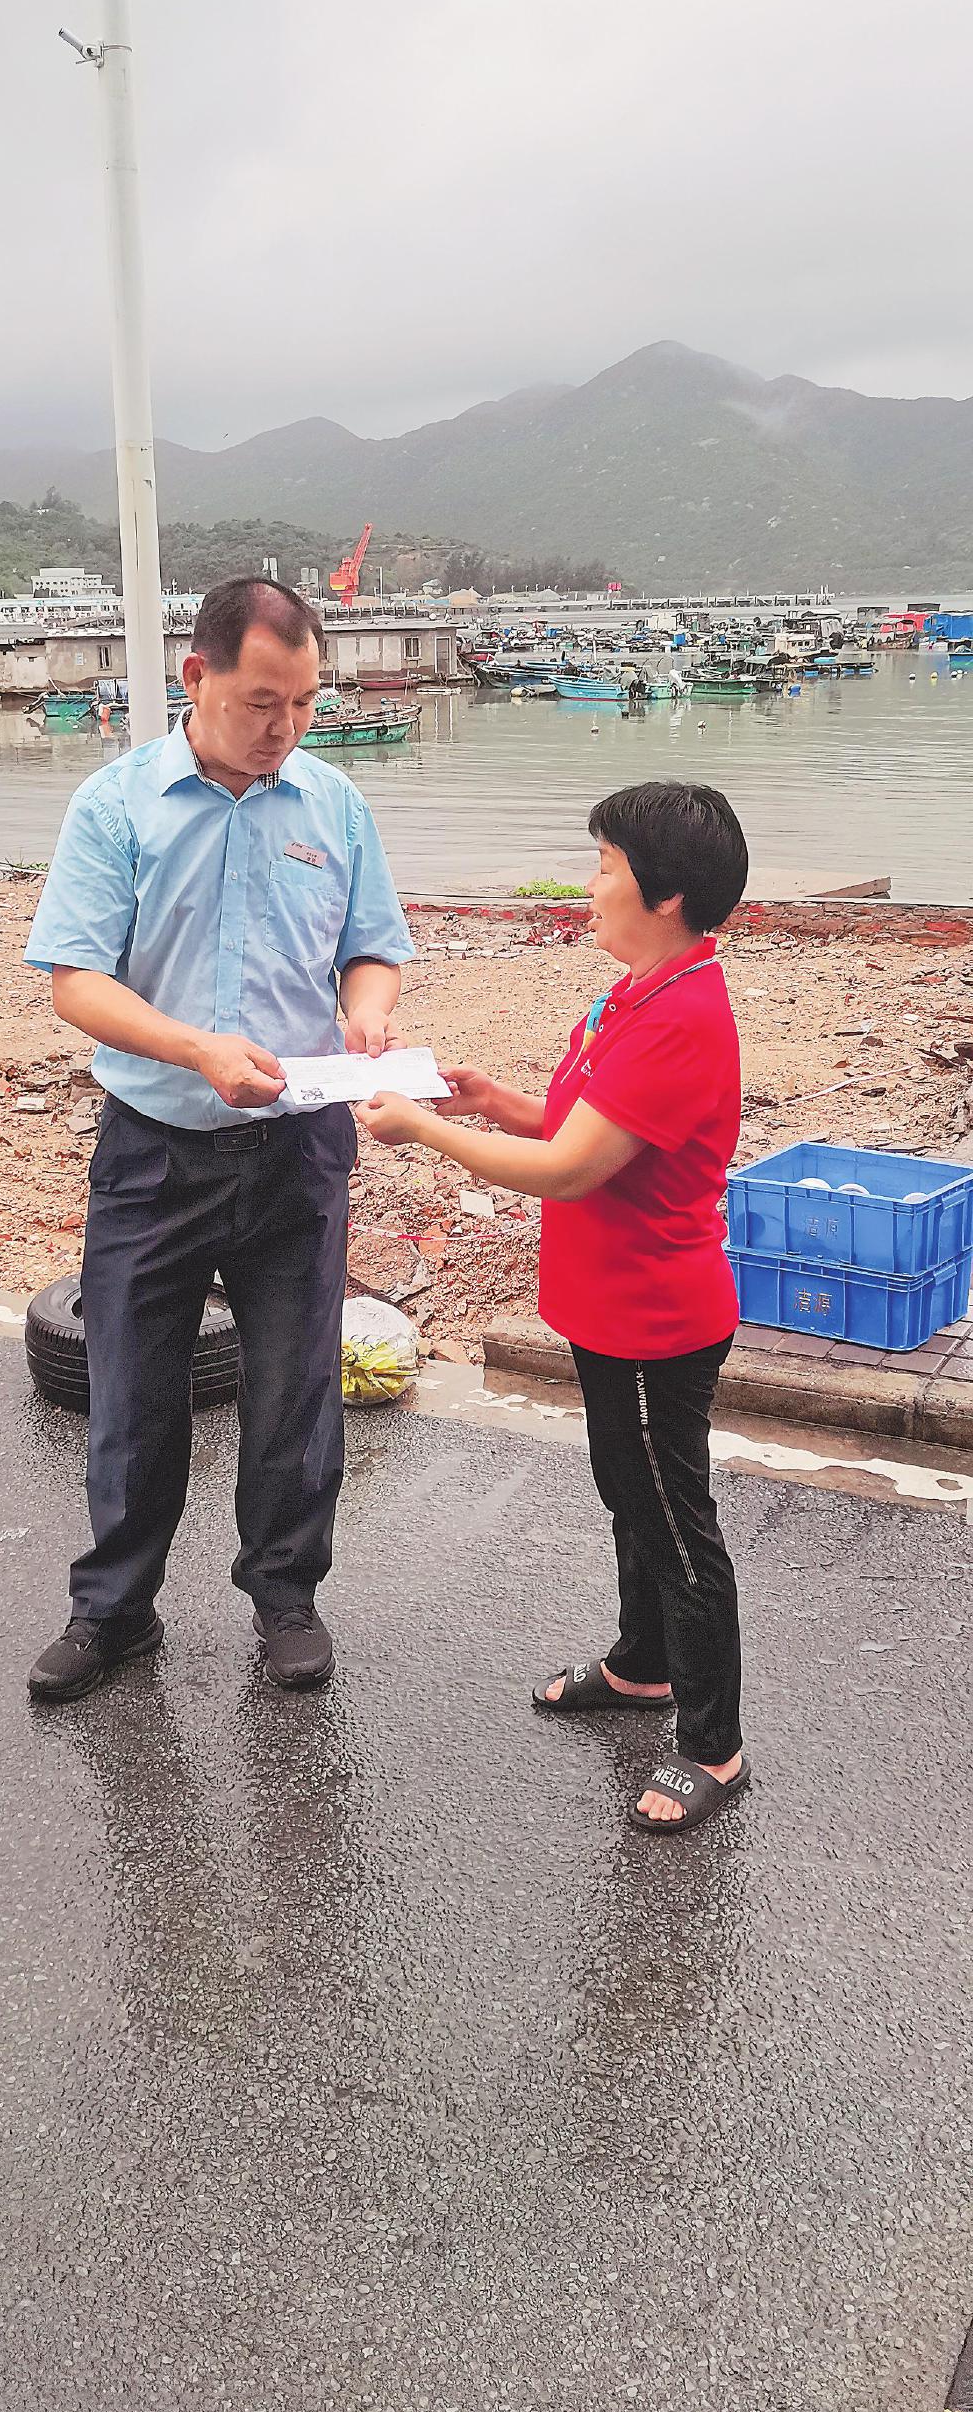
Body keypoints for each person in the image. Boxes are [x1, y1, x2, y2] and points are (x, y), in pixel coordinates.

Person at [23, 577, 413, 1705]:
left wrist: (368, 1012)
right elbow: (76, 981)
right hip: (156, 1145)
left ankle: (285, 1595)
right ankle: (115, 1609)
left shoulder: (333, 804)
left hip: (300, 1142)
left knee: (295, 1385)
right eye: (261, 702)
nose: (285, 726)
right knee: (132, 1386)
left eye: (304, 702)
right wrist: (196, 1049)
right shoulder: (116, 806)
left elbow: (372, 946)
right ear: (196, 679)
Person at [357, 781, 750, 1838]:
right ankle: (642, 1665)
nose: (591, 885)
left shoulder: (683, 1016)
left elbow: (571, 1170)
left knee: (674, 1521)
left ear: (666, 894)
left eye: (606, 867)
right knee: (629, 1493)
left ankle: (713, 1745)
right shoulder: (635, 993)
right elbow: (584, 1127)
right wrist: (491, 1102)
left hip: (657, 1317)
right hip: (607, 1306)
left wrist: (426, 1132)